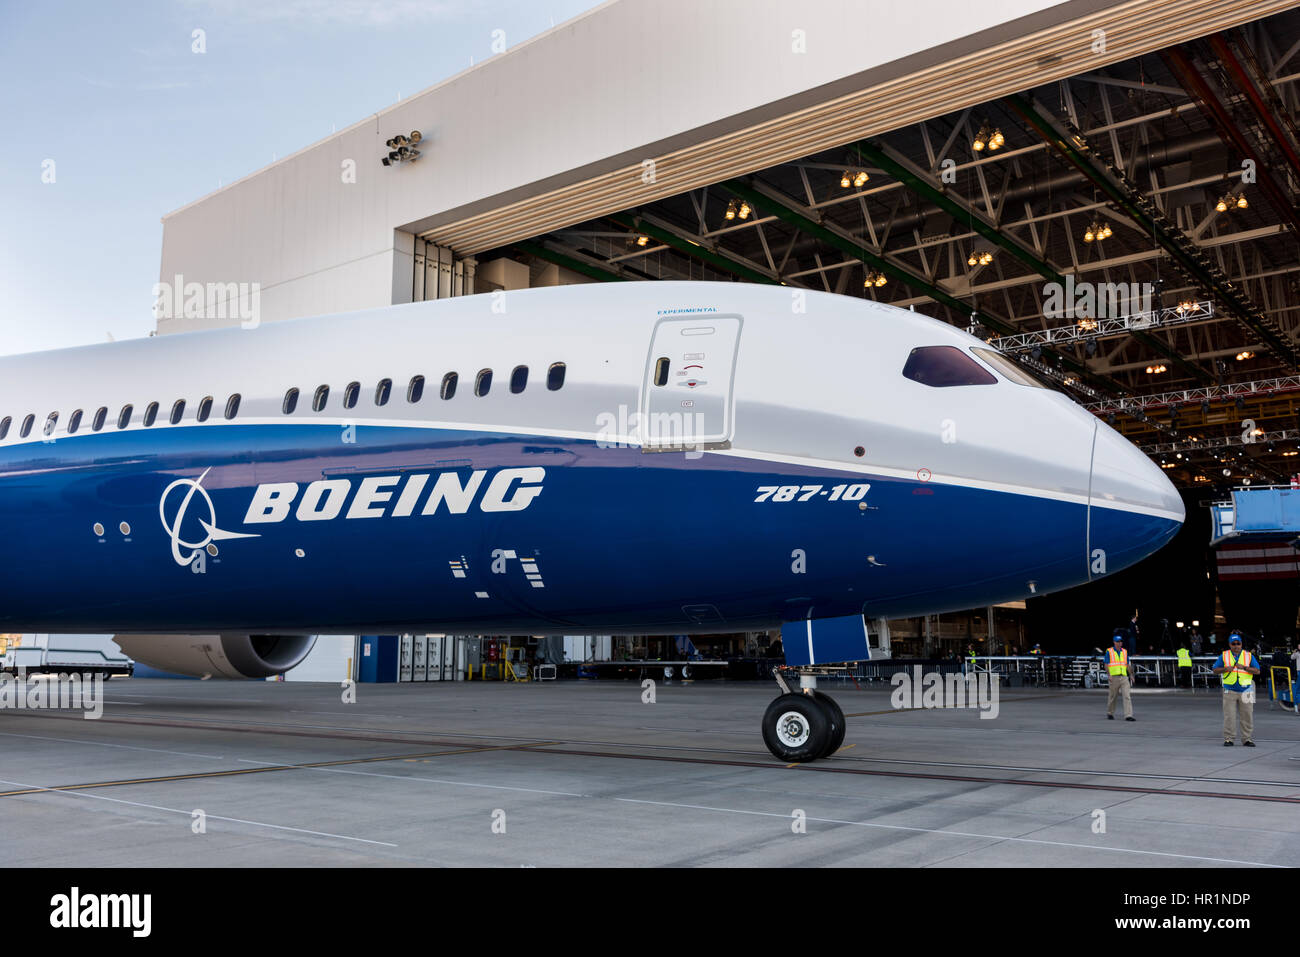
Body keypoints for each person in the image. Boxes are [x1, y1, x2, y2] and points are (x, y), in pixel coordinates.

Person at [1212, 632, 1260, 747]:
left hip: (1247, 690)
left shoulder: (1248, 655)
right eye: (1233, 643)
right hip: (1229, 690)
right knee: (1229, 716)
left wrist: (1245, 667)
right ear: (1229, 644)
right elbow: (1215, 670)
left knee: (1247, 715)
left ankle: (1247, 739)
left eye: (1238, 643)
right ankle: (1229, 738)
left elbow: (1257, 671)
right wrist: (1225, 669)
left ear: (1241, 644)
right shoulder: (1224, 655)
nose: (1236, 646)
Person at [1104, 630, 1135, 721]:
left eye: (1121, 641)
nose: (1119, 643)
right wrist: (1109, 675)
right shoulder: (1109, 651)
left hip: (1124, 677)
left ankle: (1128, 715)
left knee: (1127, 696)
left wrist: (1131, 675)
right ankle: (1110, 713)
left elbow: (1127, 664)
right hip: (1114, 677)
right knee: (1113, 697)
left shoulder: (1124, 652)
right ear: (1114, 642)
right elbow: (1106, 664)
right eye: (1118, 642)